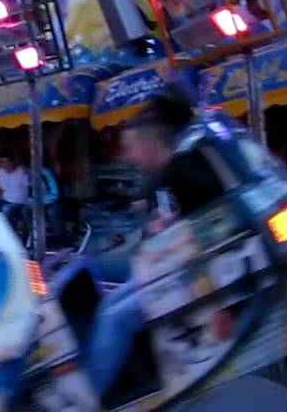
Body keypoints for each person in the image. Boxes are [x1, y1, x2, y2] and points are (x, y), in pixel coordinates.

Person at [76, 85, 225, 396]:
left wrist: (167, 230)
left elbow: (204, 233)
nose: (129, 157)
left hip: (204, 278)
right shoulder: (179, 167)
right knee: (110, 299)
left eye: (131, 148)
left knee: (114, 317)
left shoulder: (181, 171)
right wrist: (168, 226)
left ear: (149, 143)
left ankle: (86, 399)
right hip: (190, 267)